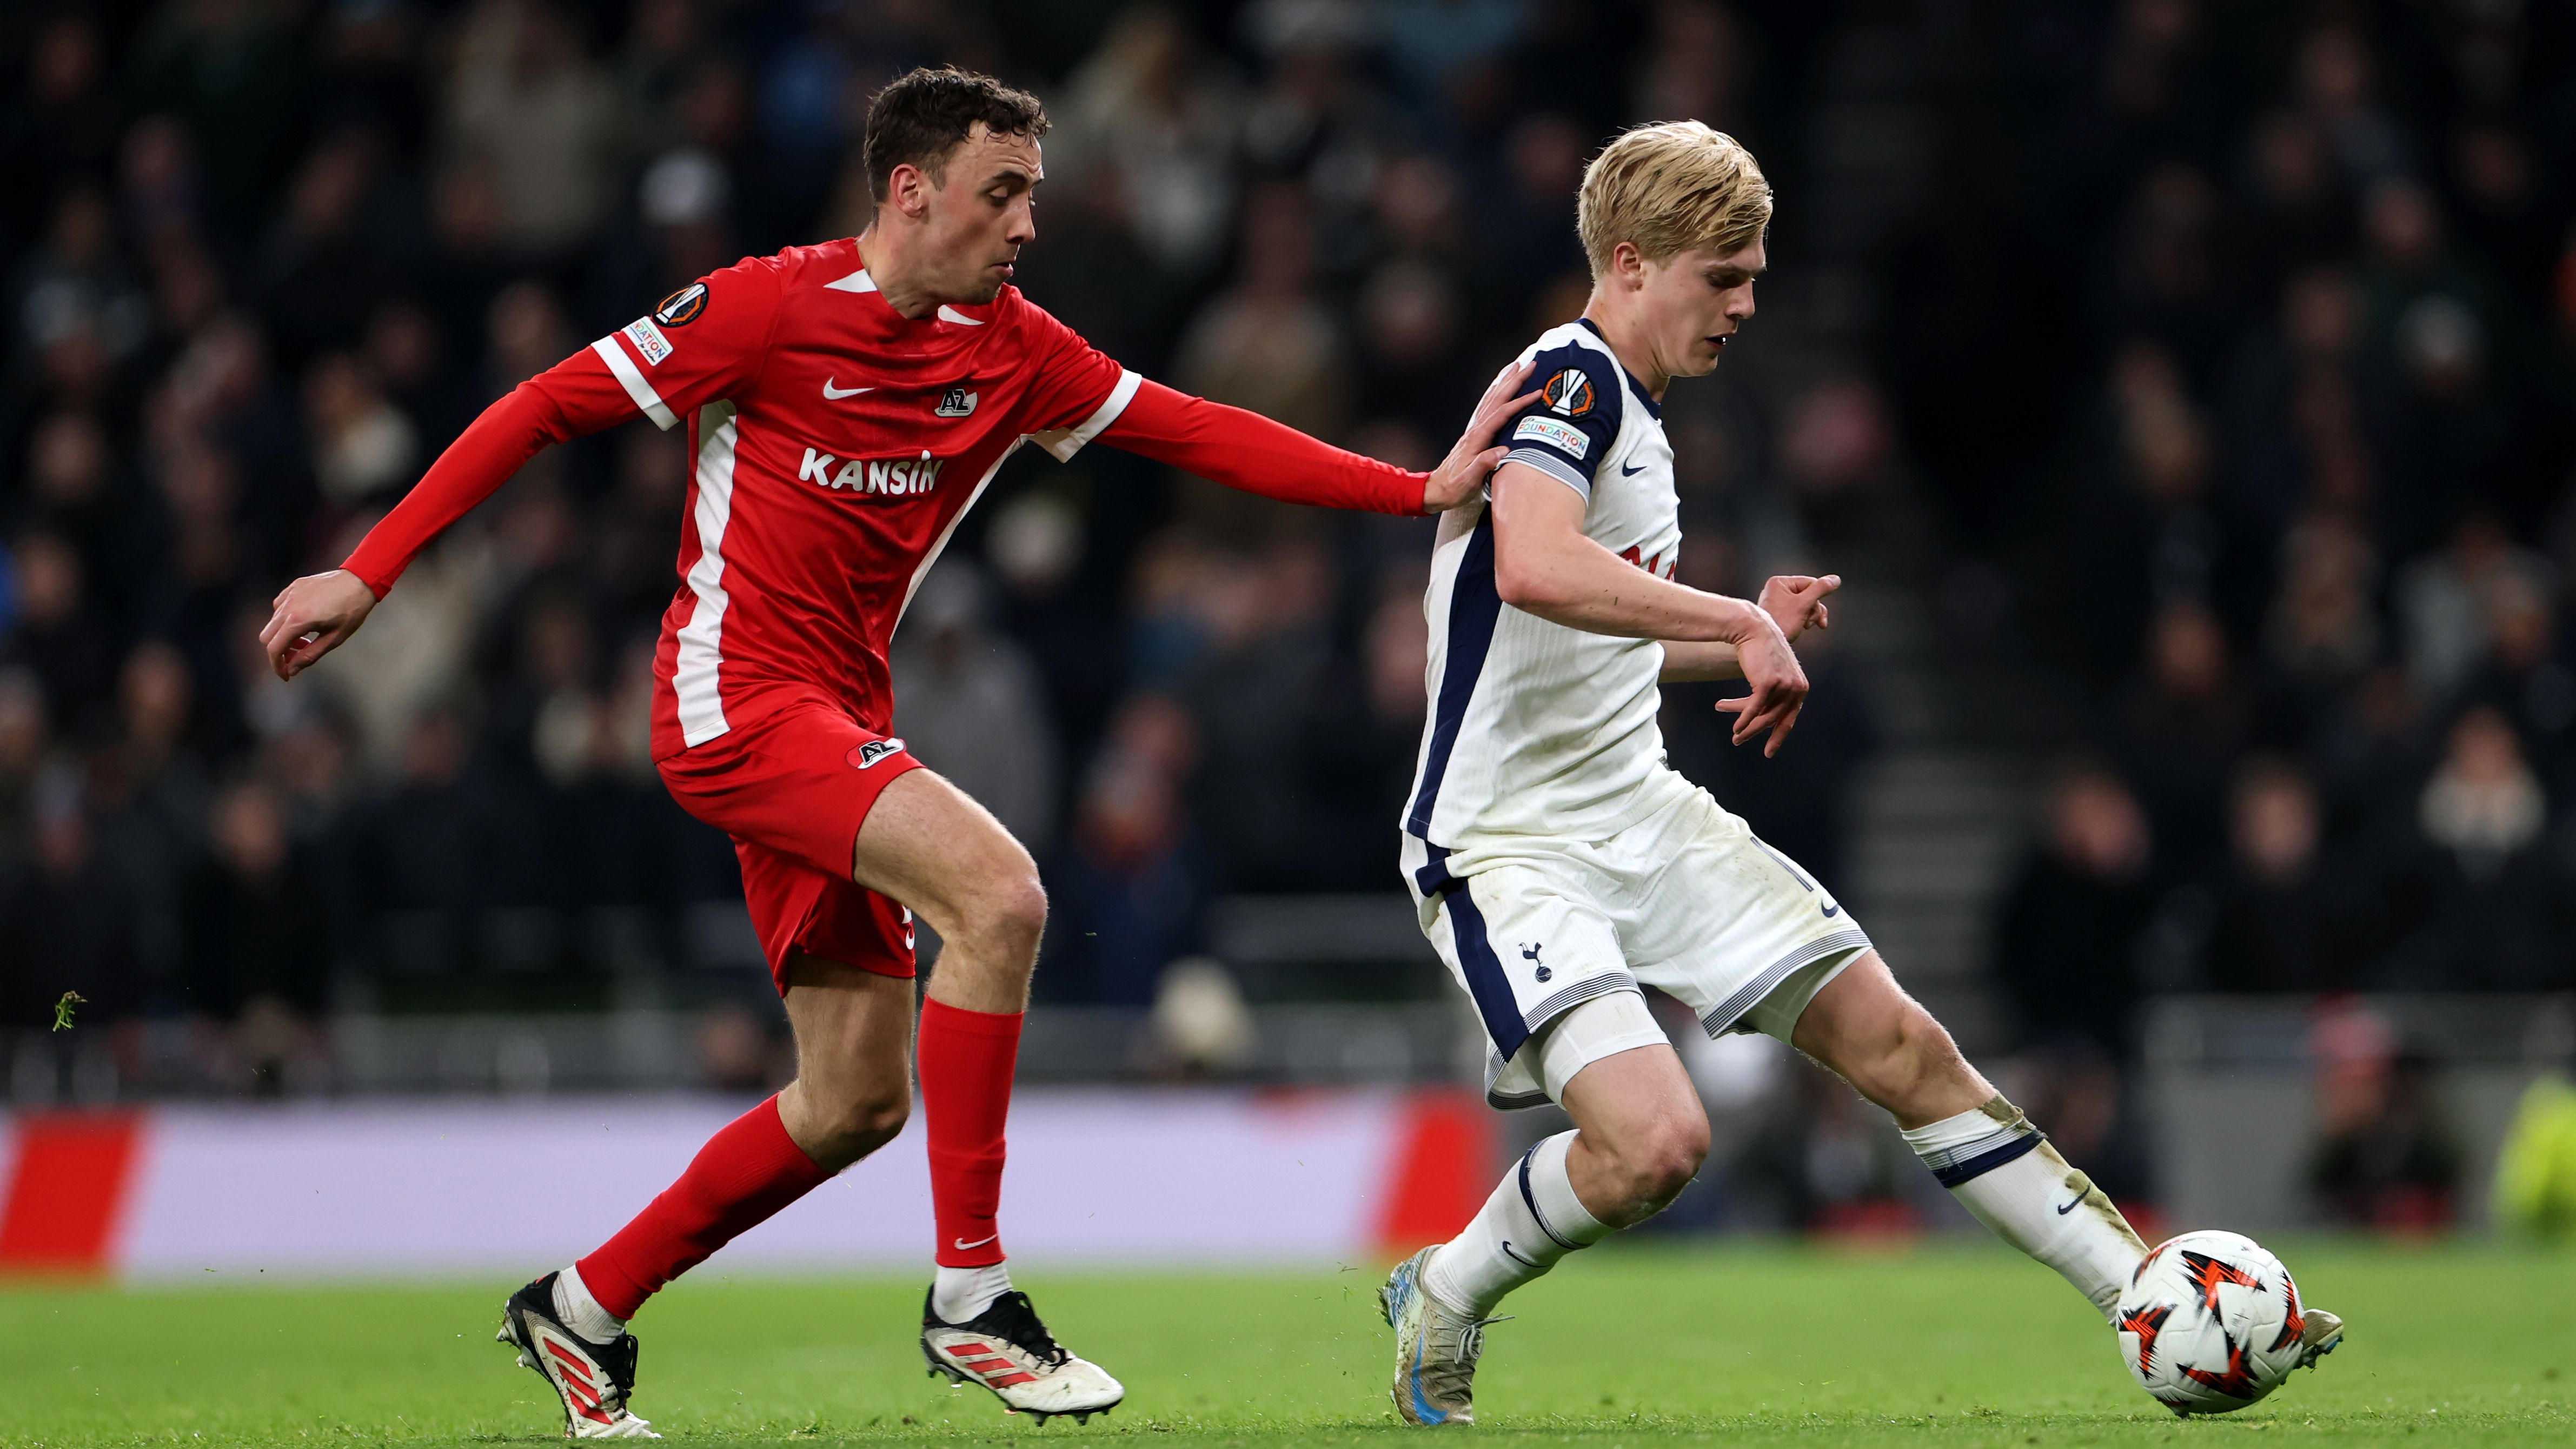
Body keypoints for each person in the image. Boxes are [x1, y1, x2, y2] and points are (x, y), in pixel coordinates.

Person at [258, 67, 1534, 1440]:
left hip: (840, 725)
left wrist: (1414, 487)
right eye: (1005, 193)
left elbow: (1195, 429)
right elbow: (541, 407)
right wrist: (369, 571)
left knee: (857, 1097)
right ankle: (973, 1298)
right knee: (1005, 896)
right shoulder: (761, 304)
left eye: (1034, 195)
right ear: (911, 192)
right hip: (733, 701)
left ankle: (582, 1307)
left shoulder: (1015, 344)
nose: (1028, 224)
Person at [1375, 121, 2343, 1425]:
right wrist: (1734, 620)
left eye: (1756, 274)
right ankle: (1448, 1285)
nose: (1747, 303)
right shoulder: (1572, 381)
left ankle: (2152, 1296)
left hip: (1637, 810)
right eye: (1723, 275)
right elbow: (1530, 567)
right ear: (1630, 259)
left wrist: (1723, 627)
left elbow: (1557, 646)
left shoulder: (1641, 414)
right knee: (1658, 1142)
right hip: (1506, 843)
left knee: (1904, 1042)